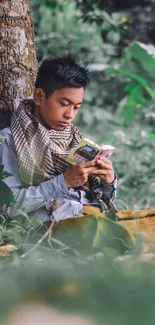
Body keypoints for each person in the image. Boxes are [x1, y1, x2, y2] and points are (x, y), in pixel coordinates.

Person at [0, 55, 117, 223]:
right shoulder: (10, 139)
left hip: (94, 217)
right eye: (64, 104)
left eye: (76, 107)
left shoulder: (74, 139)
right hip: (57, 231)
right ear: (39, 96)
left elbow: (106, 202)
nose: (70, 115)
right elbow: (7, 206)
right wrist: (63, 182)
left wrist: (108, 182)